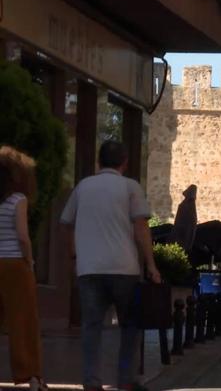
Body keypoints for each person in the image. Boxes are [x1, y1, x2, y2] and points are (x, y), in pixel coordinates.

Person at [60, 141, 161, 391]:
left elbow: (66, 222)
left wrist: (74, 254)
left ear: (98, 162)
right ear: (124, 162)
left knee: (91, 327)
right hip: (123, 268)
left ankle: (92, 382)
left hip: (89, 269)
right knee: (129, 325)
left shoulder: (83, 187)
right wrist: (151, 264)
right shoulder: (130, 188)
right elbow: (141, 227)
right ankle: (125, 380)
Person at [0, 146, 48, 391]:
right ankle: (31, 376)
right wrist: (29, 261)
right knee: (24, 321)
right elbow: (22, 235)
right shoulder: (18, 200)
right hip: (14, 264)